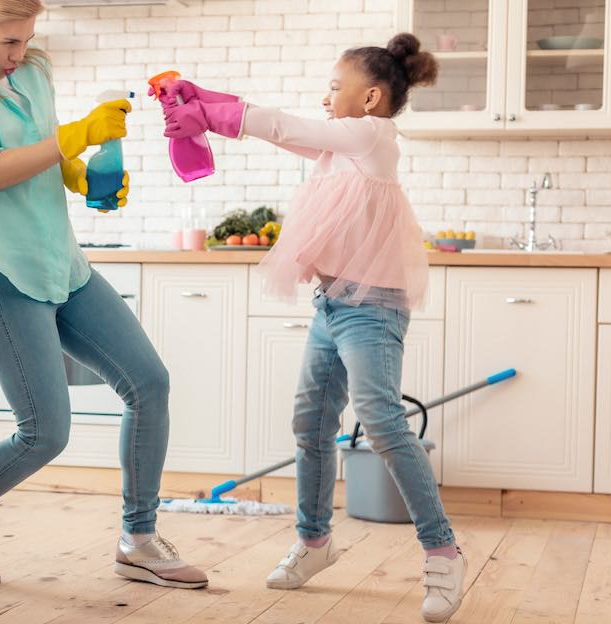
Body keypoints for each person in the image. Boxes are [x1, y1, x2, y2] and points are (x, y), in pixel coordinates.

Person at [161, 33, 465, 622]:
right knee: (311, 424)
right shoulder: (342, 149)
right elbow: (284, 130)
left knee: (380, 421)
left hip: (372, 308)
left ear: (371, 97)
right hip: (333, 305)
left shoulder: (370, 137)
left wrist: (214, 113)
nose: (325, 97)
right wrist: (200, 99)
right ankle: (315, 541)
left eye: (334, 87)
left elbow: (281, 125)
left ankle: (443, 551)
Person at [0, 0, 207, 591]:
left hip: (62, 261)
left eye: (26, 39)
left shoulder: (35, 70)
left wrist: (83, 175)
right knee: (45, 433)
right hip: (1, 268)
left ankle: (140, 539)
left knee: (148, 383)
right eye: (7, 42)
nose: (19, 53)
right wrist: (80, 136)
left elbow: (43, 152)